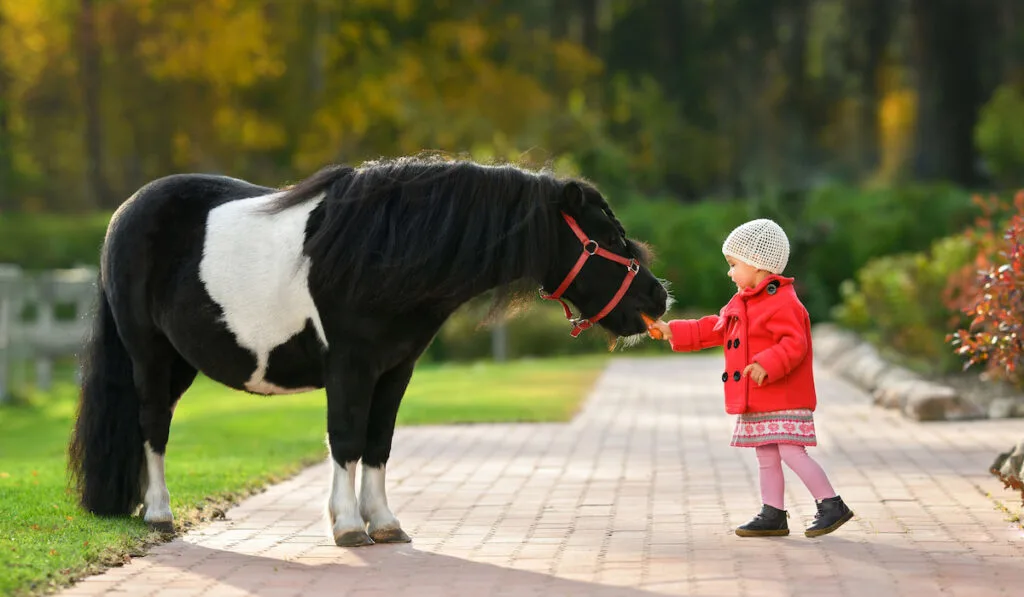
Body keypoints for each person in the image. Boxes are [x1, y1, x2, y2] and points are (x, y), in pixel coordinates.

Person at [648, 218, 854, 538]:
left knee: (790, 451)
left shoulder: (783, 301)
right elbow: (714, 328)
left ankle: (831, 503)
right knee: (766, 454)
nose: (729, 272)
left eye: (733, 264)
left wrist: (766, 363)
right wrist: (672, 329)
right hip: (760, 398)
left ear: (758, 265)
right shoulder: (741, 301)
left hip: (783, 395)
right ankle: (773, 512)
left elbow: (795, 343)